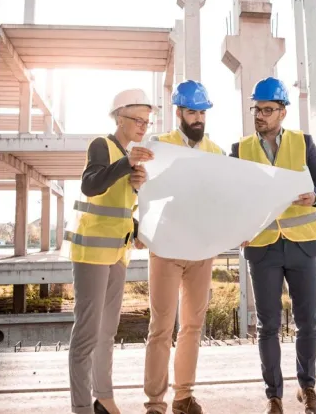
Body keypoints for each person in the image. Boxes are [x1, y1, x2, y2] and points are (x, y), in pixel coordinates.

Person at [230, 77, 316, 414]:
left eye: (267, 109)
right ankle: (273, 396)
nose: (259, 115)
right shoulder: (240, 149)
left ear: (282, 112)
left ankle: (308, 389)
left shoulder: (303, 143)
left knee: (308, 322)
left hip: (302, 245)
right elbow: (232, 198)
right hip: (263, 248)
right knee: (269, 326)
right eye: (256, 109)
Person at [63, 88, 156, 414]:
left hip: (117, 254)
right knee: (87, 334)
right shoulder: (101, 145)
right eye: (137, 119)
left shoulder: (127, 156)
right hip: (91, 254)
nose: (143, 126)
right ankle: (81, 407)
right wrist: (125, 164)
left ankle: (103, 398)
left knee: (106, 332)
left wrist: (137, 226)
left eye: (147, 121)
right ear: (119, 116)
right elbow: (91, 185)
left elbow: (117, 208)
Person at [143, 80, 224, 414]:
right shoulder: (159, 145)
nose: (198, 119)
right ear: (179, 112)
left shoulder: (216, 152)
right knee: (161, 327)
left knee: (192, 326)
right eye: (192, 111)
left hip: (201, 250)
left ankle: (183, 397)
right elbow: (143, 189)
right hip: (166, 247)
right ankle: (154, 403)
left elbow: (223, 198)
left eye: (202, 112)